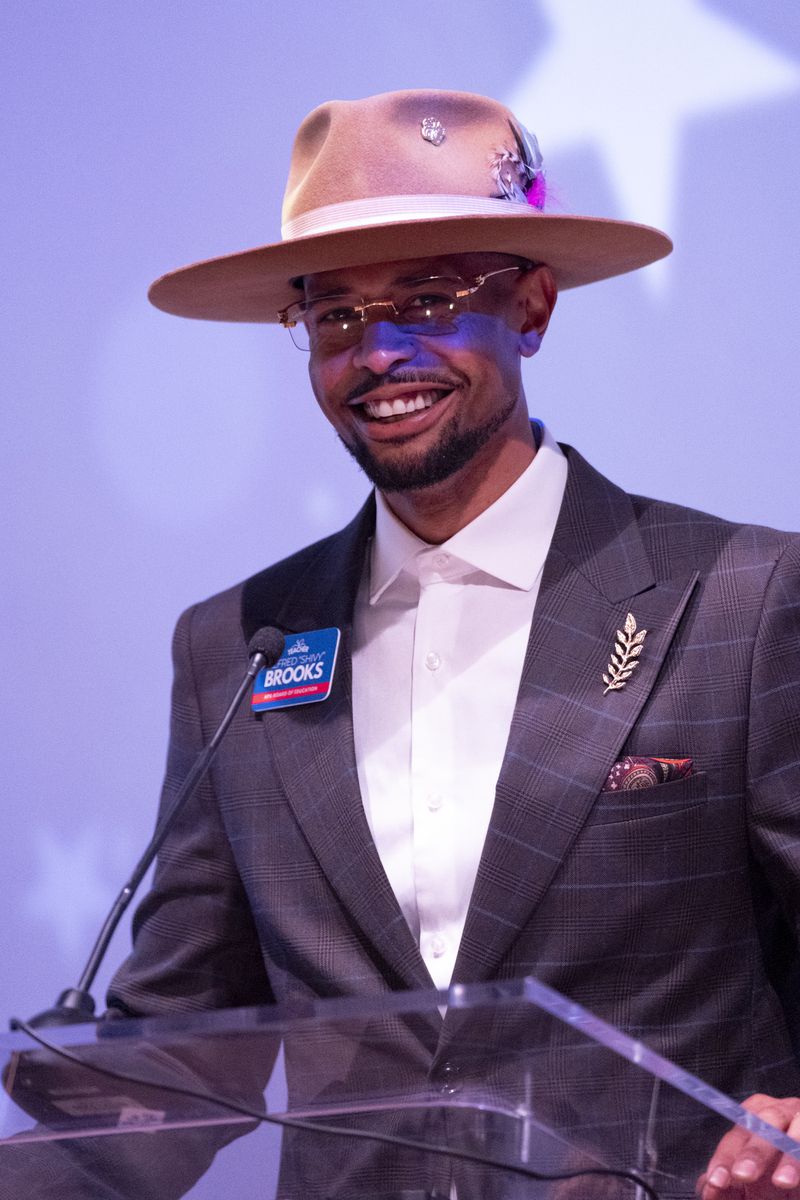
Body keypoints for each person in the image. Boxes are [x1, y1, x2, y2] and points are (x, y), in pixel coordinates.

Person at [103, 89, 800, 1197]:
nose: (376, 354)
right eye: (333, 317)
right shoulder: (234, 645)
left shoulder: (743, 599)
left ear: (530, 308)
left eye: (425, 301)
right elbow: (184, 1040)